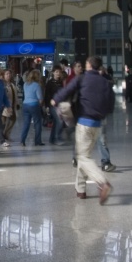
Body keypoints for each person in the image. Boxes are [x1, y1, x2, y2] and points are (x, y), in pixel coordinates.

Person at [52, 56, 115, 204]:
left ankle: (102, 182)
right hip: (97, 124)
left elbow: (67, 90)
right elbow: (111, 104)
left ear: (88, 65)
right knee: (84, 154)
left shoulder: (82, 79)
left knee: (82, 157)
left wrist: (55, 100)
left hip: (84, 123)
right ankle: (81, 189)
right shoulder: (105, 82)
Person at [19, 69, 45, 147]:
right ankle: (37, 141)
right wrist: (40, 105)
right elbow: (40, 98)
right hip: (34, 105)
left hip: (25, 105)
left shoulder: (25, 84)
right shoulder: (37, 85)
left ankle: (22, 140)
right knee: (37, 123)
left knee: (26, 123)